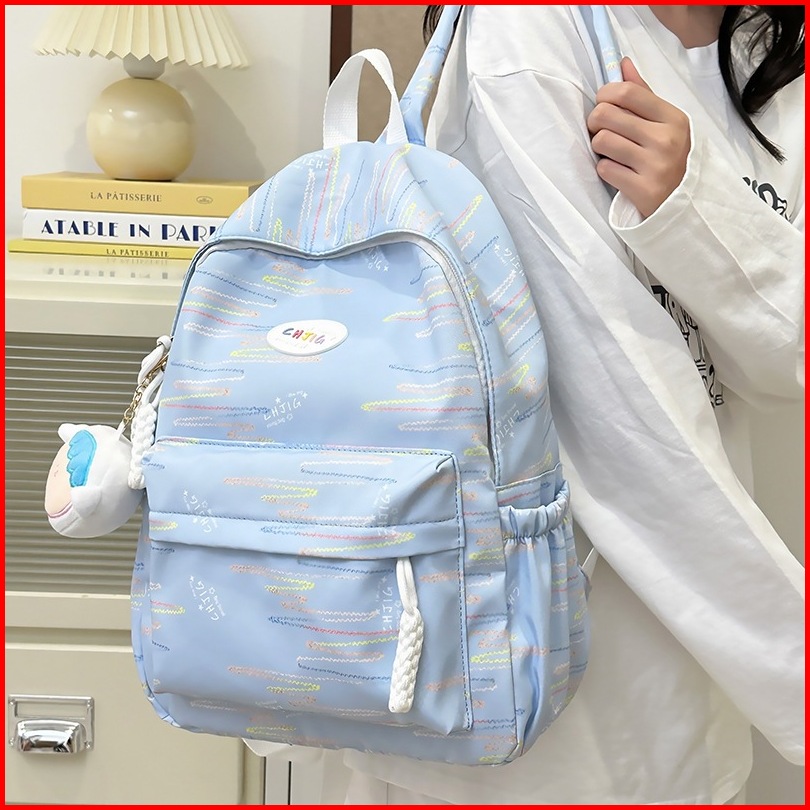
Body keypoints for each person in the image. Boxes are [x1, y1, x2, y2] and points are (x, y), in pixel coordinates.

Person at [338, 5, 805, 805]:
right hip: (503, 678)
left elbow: (780, 360)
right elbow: (611, 406)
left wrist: (690, 203)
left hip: (689, 682)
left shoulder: (771, 50)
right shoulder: (527, 28)